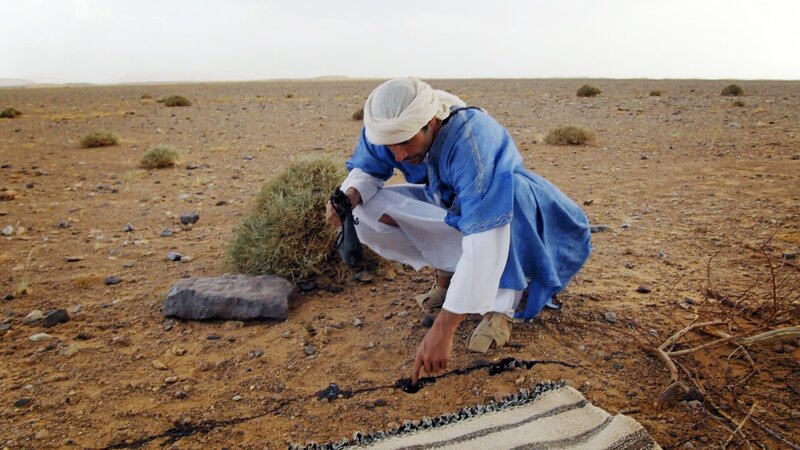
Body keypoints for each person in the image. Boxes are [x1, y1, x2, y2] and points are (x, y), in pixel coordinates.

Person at [326, 77, 591, 384]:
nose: (397, 156)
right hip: (452, 205)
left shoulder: (473, 142)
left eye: (406, 143)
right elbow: (366, 171)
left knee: (506, 205)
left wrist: (444, 328)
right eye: (389, 146)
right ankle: (450, 276)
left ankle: (503, 304)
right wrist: (349, 197)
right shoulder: (390, 129)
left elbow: (486, 239)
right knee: (365, 209)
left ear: (432, 122)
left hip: (516, 213)